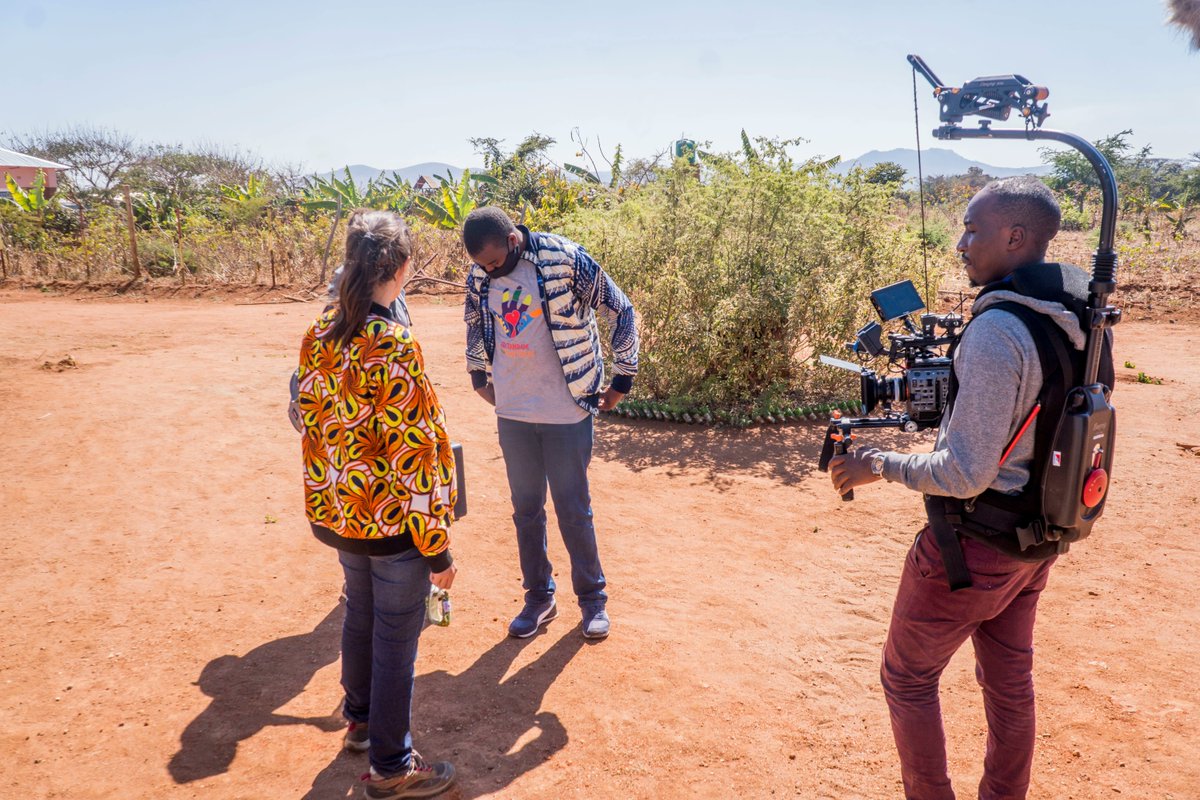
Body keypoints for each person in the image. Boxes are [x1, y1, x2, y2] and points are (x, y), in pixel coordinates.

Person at [828, 177, 1111, 800]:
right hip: (1037, 539)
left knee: (907, 679)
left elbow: (965, 472)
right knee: (1010, 683)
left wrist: (878, 464)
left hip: (972, 548)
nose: (960, 244)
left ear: (1015, 237)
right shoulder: (1078, 320)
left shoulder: (997, 330)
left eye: (972, 229)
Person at [297, 209, 458, 799]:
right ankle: (392, 767)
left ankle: (362, 723)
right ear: (403, 266)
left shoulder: (320, 331)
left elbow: (307, 420)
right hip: (393, 524)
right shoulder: (393, 343)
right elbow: (415, 455)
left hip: (343, 512)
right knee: (395, 638)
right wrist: (437, 549)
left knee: (359, 615)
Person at [461, 207, 639, 640]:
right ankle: (539, 598)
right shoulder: (480, 274)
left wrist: (622, 379)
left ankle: (593, 600)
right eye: (481, 265)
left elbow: (621, 310)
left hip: (566, 411)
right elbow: (474, 320)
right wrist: (477, 374)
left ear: (512, 240)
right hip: (514, 414)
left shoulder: (565, 258)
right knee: (526, 511)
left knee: (573, 509)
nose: (488, 271)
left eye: (493, 262)